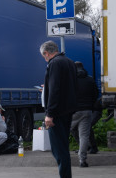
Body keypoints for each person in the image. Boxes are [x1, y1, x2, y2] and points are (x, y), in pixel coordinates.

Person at [40, 41, 77, 178]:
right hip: (68, 111)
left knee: (59, 150)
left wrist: (50, 114)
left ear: (47, 53)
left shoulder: (54, 63)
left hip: (57, 113)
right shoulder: (69, 62)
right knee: (63, 147)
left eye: (44, 56)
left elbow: (55, 89)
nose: (45, 59)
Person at [70, 62, 98, 167]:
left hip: (72, 111)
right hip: (87, 111)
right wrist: (90, 105)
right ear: (83, 68)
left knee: (67, 131)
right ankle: (82, 160)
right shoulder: (90, 79)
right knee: (84, 136)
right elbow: (95, 94)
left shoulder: (71, 80)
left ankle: (61, 157)